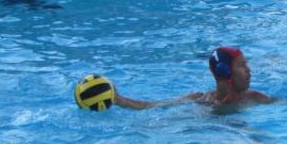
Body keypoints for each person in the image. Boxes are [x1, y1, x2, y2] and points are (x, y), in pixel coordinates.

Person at [115, 46, 274, 110]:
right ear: (224, 71)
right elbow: (153, 105)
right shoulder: (199, 100)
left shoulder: (255, 98)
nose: (249, 71)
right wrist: (120, 100)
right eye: (242, 65)